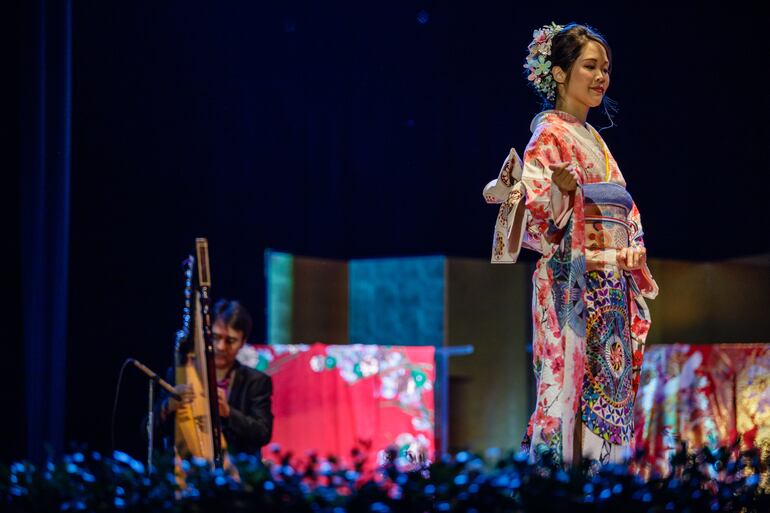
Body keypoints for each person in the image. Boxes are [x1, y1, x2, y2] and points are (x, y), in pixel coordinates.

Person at [483, 23, 658, 466]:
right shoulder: (549, 137)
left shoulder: (596, 141)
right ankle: (560, 489)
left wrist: (632, 249)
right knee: (567, 387)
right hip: (572, 284)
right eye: (590, 67)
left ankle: (605, 485)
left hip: (611, 283)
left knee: (607, 389)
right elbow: (535, 218)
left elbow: (626, 211)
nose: (601, 77)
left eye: (606, 69)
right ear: (559, 73)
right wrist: (561, 194)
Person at [159, 299, 273, 457]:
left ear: (243, 342)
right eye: (215, 337)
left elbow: (263, 433)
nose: (220, 346)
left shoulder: (256, 382)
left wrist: (228, 413)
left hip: (236, 474)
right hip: (187, 469)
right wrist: (168, 406)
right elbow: (147, 430)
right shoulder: (179, 375)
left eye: (230, 341)